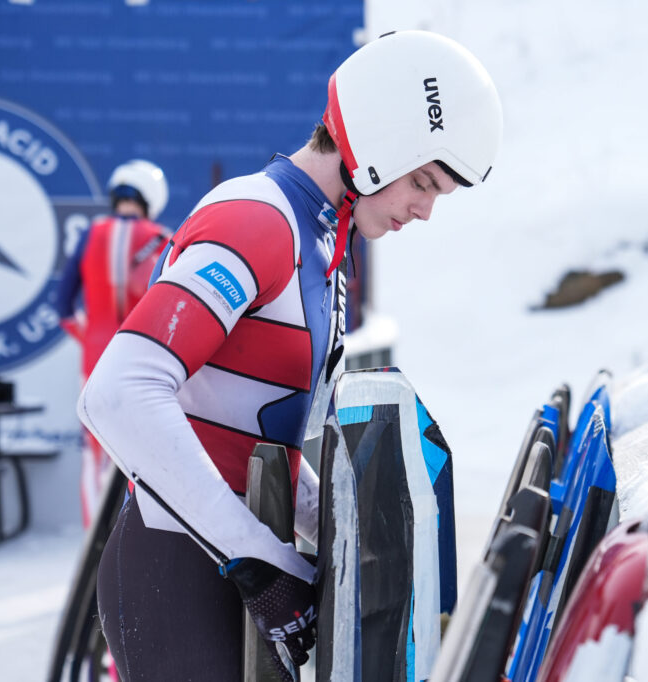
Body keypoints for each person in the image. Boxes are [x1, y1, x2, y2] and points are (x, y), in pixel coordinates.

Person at [77, 30, 502, 680]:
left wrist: (333, 526)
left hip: (217, 567)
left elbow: (255, 435)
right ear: (375, 143)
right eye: (423, 182)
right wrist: (257, 558)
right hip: (178, 577)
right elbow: (119, 393)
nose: (424, 211)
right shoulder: (258, 219)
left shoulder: (321, 243)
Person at [55, 160, 172, 526]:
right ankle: (134, 536)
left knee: (95, 458)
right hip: (145, 363)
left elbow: (62, 306)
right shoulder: (163, 238)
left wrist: (88, 337)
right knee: (144, 454)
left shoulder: (91, 234)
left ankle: (95, 542)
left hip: (95, 362)